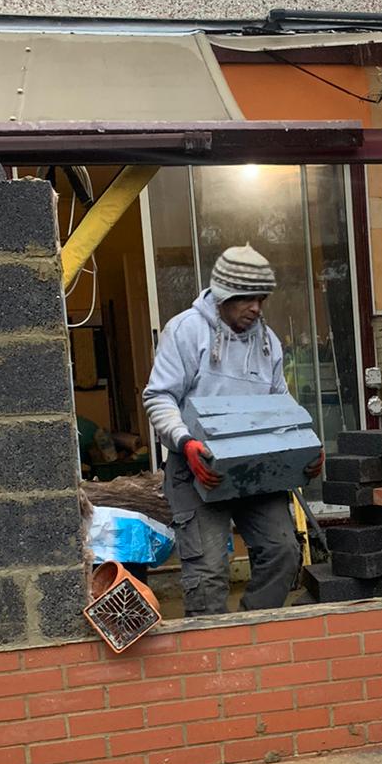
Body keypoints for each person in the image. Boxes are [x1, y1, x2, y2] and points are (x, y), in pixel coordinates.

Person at [143, 243, 320, 615]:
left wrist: (305, 443)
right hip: (197, 468)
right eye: (247, 298)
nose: (256, 308)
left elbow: (281, 403)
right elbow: (159, 396)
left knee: (283, 552)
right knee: (208, 573)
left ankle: (250, 632)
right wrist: (185, 442)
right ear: (224, 294)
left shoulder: (268, 342)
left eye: (261, 299)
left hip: (256, 469)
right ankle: (209, 647)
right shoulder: (186, 331)